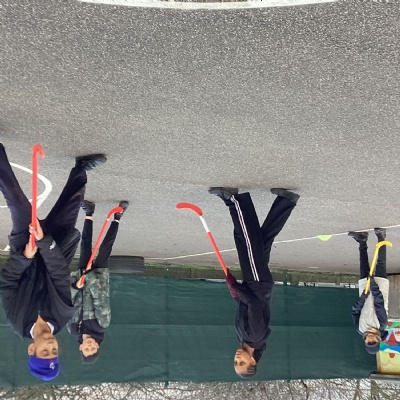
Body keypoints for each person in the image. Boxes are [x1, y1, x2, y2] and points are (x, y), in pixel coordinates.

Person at [0, 143, 106, 380]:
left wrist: (26, 256)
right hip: (55, 247)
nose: (50, 345)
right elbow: (59, 274)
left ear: (31, 350)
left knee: (18, 204)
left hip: (26, 248)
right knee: (71, 206)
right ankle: (80, 169)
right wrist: (45, 242)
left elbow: (8, 283)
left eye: (44, 351)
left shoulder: (17, 321)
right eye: (54, 351)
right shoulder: (62, 316)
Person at [208, 187, 299, 378]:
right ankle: (234, 201)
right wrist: (236, 287)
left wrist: (235, 294)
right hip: (257, 283)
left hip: (255, 285)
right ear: (253, 360)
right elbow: (254, 303)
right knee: (246, 241)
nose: (237, 358)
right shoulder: (255, 336)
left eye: (235, 362)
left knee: (262, 241)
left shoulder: (243, 338)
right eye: (242, 362)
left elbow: (244, 306)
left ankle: (286, 201)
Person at [68, 199, 129, 364]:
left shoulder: (73, 329)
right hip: (97, 278)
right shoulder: (101, 325)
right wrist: (90, 276)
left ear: (80, 348)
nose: (89, 346)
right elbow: (100, 299)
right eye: (92, 349)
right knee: (105, 248)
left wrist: (75, 287)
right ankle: (117, 217)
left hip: (81, 279)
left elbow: (69, 305)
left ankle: (89, 213)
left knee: (85, 246)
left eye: (86, 349)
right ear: (97, 346)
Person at [349, 228, 389, 355]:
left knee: (363, 264)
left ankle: (362, 240)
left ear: (365, 341)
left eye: (369, 342)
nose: (371, 340)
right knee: (380, 263)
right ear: (378, 340)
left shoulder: (359, 328)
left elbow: (355, 311)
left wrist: (362, 298)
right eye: (374, 342)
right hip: (379, 289)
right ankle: (381, 237)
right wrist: (373, 285)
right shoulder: (381, 325)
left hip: (365, 291)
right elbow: (379, 303)